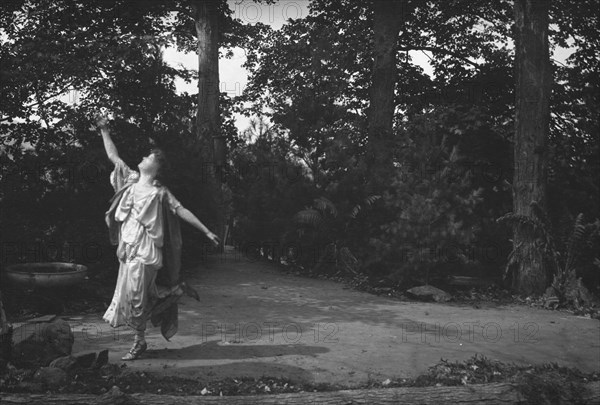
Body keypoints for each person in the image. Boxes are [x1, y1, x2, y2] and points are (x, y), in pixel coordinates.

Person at [96, 114, 220, 361]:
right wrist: (104, 131)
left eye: (148, 157)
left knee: (136, 298)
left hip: (147, 250)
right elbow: (114, 157)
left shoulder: (160, 192)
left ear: (157, 166)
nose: (142, 158)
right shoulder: (130, 181)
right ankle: (171, 294)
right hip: (127, 248)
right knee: (132, 297)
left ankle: (140, 341)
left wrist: (206, 230)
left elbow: (181, 210)